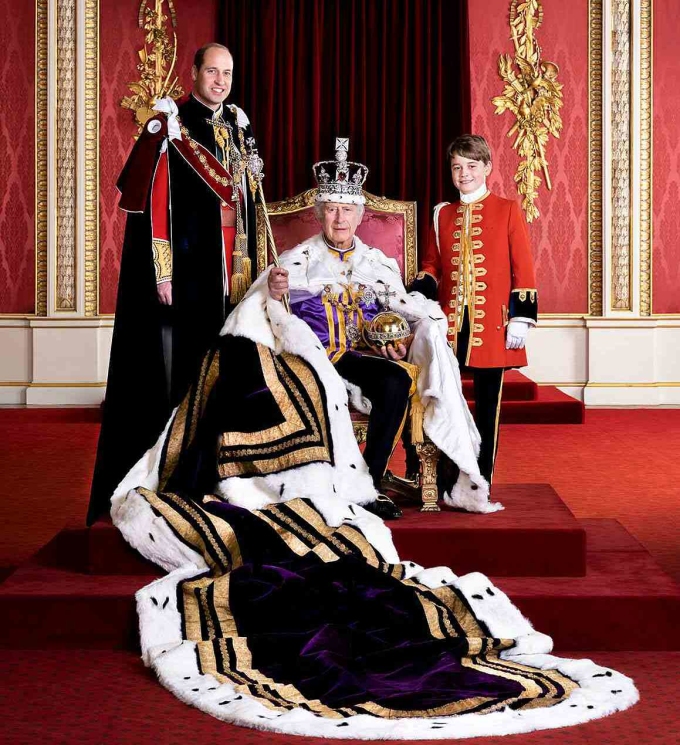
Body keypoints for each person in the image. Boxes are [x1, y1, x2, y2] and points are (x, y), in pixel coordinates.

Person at [268, 139, 501, 517]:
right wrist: (275, 293)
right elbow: (266, 311)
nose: (339, 219)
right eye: (331, 210)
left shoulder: (377, 263)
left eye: (347, 210)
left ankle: (368, 484)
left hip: (357, 356)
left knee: (396, 380)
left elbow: (406, 311)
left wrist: (404, 338)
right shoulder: (297, 260)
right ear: (319, 214)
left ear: (361, 215)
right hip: (313, 356)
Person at [87, 43, 261, 524]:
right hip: (190, 266)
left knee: (231, 369)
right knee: (192, 372)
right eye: (213, 71)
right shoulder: (172, 122)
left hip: (235, 265)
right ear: (195, 72)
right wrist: (161, 271)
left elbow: (249, 201)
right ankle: (184, 473)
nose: (221, 81)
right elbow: (157, 204)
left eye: (227, 72)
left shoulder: (238, 126)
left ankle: (224, 468)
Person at [411, 134, 538, 490]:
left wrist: (521, 317)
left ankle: (482, 479)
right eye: (457, 167)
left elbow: (523, 267)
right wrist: (419, 287)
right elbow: (432, 264)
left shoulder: (508, 208)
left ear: (487, 168)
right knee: (446, 403)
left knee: (487, 409)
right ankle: (445, 476)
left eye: (471, 166)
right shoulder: (442, 214)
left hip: (494, 326)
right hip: (450, 326)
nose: (463, 173)